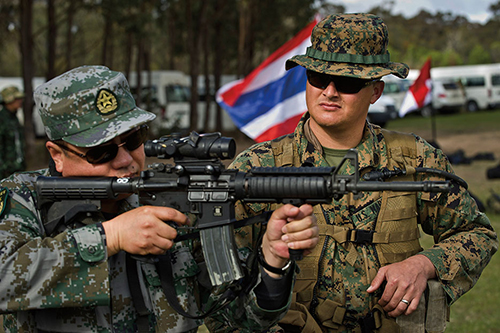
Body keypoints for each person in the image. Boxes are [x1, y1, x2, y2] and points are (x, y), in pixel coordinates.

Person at [229, 13, 498, 332]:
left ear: (375, 91)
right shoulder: (257, 167)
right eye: (318, 77)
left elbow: (477, 234)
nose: (329, 92)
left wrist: (424, 265)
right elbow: (223, 288)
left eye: (347, 82)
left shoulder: (414, 159)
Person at [0, 65, 319, 332]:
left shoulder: (170, 198)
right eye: (102, 152)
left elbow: (240, 318)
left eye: (134, 140)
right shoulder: (23, 196)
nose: (125, 160)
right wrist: (110, 236)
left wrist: (272, 263)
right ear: (57, 154)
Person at [0, 86, 26, 179]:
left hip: (17, 167)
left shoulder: (14, 118)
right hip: (5, 171)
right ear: (9, 99)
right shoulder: (2, 119)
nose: (20, 101)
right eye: (17, 98)